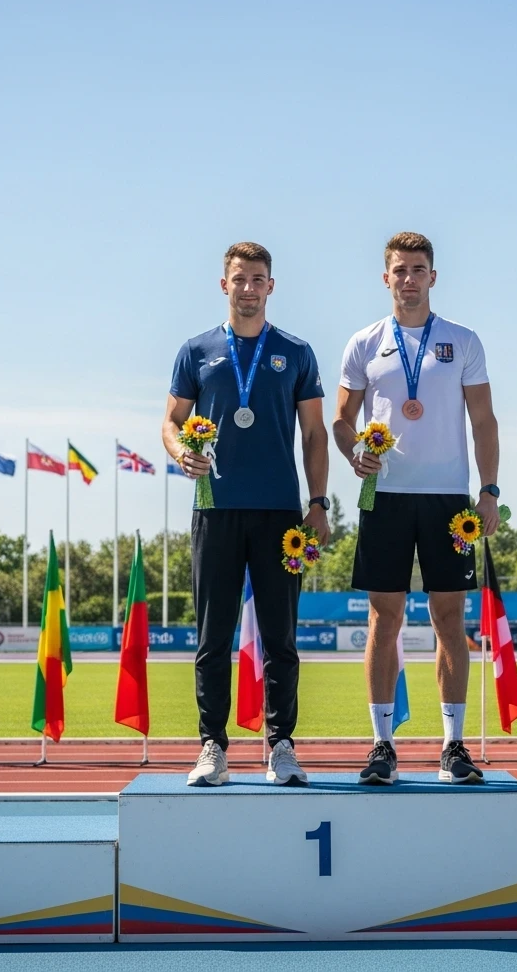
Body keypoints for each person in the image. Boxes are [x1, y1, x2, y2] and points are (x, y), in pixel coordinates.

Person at [334, 231, 500, 786]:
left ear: (434, 276)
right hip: (384, 497)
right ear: (386, 277)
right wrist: (354, 451)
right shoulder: (363, 343)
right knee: (385, 618)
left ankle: (454, 746)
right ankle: (382, 744)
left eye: (418, 269)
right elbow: (340, 419)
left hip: (449, 499)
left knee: (450, 620)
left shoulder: (462, 341)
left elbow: (483, 421)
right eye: (399, 270)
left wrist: (490, 490)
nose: (409, 278)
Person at [163, 241, 330, 788]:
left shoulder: (296, 352)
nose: (249, 287)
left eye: (258, 279)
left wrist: (318, 503)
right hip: (215, 510)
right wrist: (179, 450)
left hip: (282, 515)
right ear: (224, 285)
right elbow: (170, 422)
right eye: (240, 278)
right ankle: (213, 745)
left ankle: (280, 746)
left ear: (271, 286)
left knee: (281, 637)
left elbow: (314, 435)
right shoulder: (196, 351)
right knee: (214, 636)